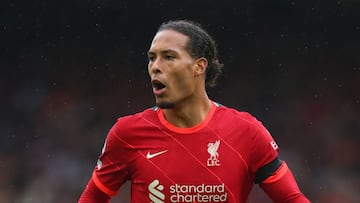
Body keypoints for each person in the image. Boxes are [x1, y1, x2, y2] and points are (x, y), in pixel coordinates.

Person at [78, 20, 310, 203]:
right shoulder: (127, 133)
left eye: (169, 57)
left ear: (199, 66)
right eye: (152, 58)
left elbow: (291, 198)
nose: (155, 66)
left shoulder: (247, 132)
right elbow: (94, 197)